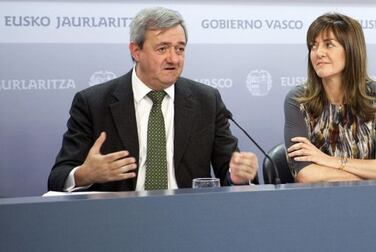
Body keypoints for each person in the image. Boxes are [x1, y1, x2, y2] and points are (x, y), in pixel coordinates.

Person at [48, 7, 258, 192]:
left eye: (180, 49)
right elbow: (58, 177)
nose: (174, 59)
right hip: (119, 217)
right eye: (162, 48)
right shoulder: (93, 103)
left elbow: (229, 171)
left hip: (189, 215)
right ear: (136, 50)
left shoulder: (206, 101)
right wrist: (85, 175)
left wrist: (237, 176)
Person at [284, 12, 376, 183]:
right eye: (313, 46)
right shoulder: (299, 100)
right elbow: (306, 175)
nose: (318, 52)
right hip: (318, 203)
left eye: (329, 44)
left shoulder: (374, 96)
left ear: (351, 50)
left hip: (370, 201)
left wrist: (330, 161)